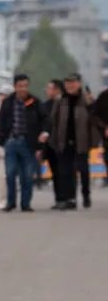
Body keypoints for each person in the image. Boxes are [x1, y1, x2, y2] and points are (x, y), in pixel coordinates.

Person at [47, 73, 100, 210]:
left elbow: (94, 121)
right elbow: (54, 121)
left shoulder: (86, 100)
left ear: (79, 84)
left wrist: (93, 141)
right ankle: (70, 199)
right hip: (63, 140)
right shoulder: (60, 100)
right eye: (67, 83)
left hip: (81, 140)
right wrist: (54, 140)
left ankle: (86, 194)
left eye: (73, 82)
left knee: (83, 169)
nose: (70, 85)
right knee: (65, 171)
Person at [0, 74, 47, 212]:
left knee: (27, 175)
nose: (23, 89)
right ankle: (10, 202)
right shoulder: (8, 102)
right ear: (15, 87)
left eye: (25, 86)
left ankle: (25, 203)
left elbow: (45, 120)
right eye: (20, 86)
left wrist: (42, 137)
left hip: (28, 142)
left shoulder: (35, 102)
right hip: (11, 141)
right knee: (10, 173)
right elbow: (1, 122)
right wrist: (4, 139)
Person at [42, 79, 64, 204]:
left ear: (57, 90)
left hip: (63, 144)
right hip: (50, 145)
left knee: (64, 172)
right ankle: (58, 199)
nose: (47, 90)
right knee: (55, 172)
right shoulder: (45, 106)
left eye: (49, 88)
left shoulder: (64, 104)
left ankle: (67, 197)